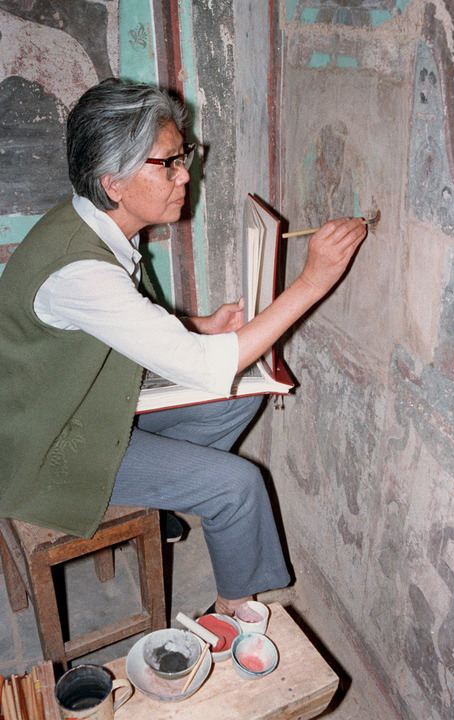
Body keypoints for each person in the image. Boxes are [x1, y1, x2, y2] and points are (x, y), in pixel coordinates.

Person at [0, 78, 366, 617]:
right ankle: (232, 614)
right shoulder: (80, 272)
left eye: (183, 155)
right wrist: (313, 281)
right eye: (169, 163)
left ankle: (167, 491)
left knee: (240, 394)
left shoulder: (85, 219)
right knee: (236, 486)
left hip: (75, 406)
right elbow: (191, 359)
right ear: (114, 183)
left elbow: (113, 324)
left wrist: (197, 325)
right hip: (49, 446)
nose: (185, 174)